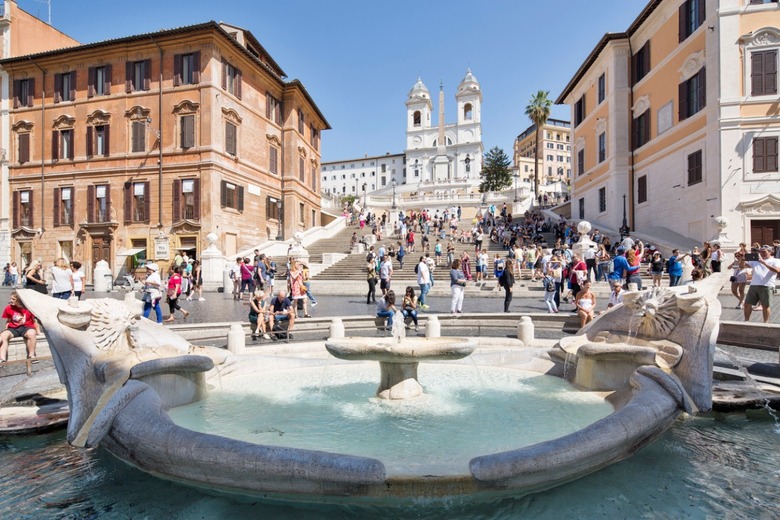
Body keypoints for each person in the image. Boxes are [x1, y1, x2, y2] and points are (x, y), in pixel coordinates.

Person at [0, 292, 40, 366]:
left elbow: (34, 321)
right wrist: (5, 330)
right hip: (13, 328)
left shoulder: (28, 308)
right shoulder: (8, 308)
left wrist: (38, 331)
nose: (10, 300)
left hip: (27, 327)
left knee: (31, 334)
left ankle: (32, 356)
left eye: (13, 299)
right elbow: (8, 321)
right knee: (3, 336)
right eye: (11, 298)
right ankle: (2, 359)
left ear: (19, 300)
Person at [744, 245, 780, 323]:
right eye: (760, 252)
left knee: (765, 306)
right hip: (753, 285)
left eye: (764, 252)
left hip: (767, 285)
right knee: (747, 304)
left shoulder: (776, 260)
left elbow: (777, 270)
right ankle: (746, 321)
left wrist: (764, 263)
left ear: (770, 252)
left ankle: (765, 323)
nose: (762, 253)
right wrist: (741, 259)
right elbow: (743, 266)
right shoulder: (755, 260)